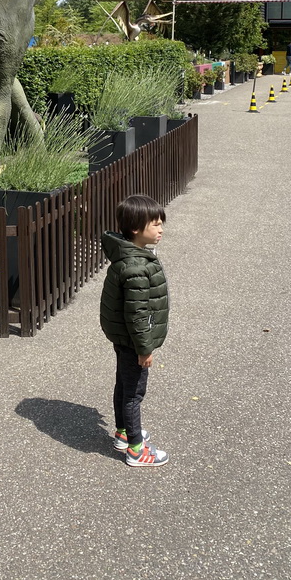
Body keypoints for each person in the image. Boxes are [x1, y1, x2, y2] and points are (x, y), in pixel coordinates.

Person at [99, 194, 170, 467]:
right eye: (155, 224)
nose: (161, 229)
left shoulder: (131, 256)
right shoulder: (136, 267)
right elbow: (138, 314)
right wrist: (145, 348)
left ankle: (124, 432)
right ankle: (136, 450)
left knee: (124, 384)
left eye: (161, 223)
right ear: (136, 230)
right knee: (133, 394)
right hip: (133, 341)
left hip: (123, 337)